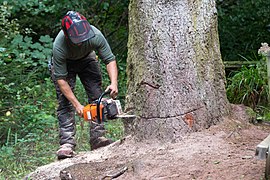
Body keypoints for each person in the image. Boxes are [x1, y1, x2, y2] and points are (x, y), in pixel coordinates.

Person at [50, 11, 118, 159]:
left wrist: (114, 83)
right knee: (65, 103)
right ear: (67, 35)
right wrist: (77, 105)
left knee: (96, 96)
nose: (80, 41)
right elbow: (61, 80)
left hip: (87, 59)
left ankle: (98, 138)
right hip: (66, 64)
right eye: (77, 39)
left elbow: (109, 59)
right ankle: (67, 144)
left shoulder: (95, 35)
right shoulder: (59, 46)